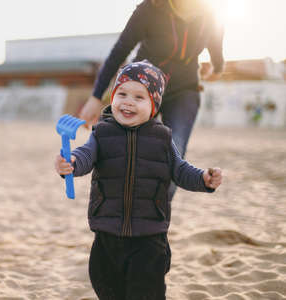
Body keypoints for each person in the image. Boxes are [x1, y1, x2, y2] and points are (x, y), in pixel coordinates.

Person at [54, 61, 222, 299]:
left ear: (154, 105)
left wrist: (204, 178)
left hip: (149, 235)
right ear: (112, 98)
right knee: (105, 284)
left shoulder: (162, 138)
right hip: (107, 231)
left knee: (146, 291)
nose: (128, 101)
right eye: (121, 93)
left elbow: (181, 170)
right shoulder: (102, 132)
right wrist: (69, 162)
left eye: (139, 97)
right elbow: (85, 155)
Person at [79, 0, 224, 201]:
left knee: (174, 152)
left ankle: (156, 217)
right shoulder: (150, 9)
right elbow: (120, 50)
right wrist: (96, 97)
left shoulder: (211, 15)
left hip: (185, 90)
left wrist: (216, 69)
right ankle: (117, 208)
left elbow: (217, 52)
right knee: (118, 143)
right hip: (142, 88)